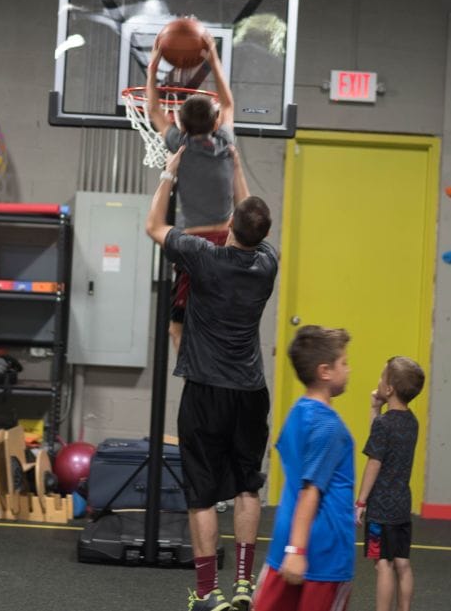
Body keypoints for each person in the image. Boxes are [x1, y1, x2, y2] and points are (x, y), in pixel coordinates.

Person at [145, 149, 278, 611]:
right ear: (264, 233)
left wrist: (169, 172)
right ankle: (244, 583)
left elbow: (153, 226)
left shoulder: (203, 257)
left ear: (231, 226)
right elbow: (250, 216)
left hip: (205, 392)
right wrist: (238, 168)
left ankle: (207, 592)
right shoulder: (268, 264)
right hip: (251, 393)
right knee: (247, 487)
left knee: (201, 494)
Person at [146, 31, 245, 352]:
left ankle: (191, 368)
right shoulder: (225, 143)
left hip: (194, 246)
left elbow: (155, 113)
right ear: (216, 123)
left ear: (182, 125)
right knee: (220, 315)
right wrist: (213, 58)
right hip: (228, 242)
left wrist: (152, 69)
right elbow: (228, 102)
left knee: (177, 325)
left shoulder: (181, 145)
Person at [253, 325, 355, 611]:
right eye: (344, 363)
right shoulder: (329, 425)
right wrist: (297, 550)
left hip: (286, 545)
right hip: (322, 554)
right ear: (325, 371)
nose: (348, 369)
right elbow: (310, 491)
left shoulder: (297, 413)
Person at [355, 356, 425, 611]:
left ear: (389, 389)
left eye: (381, 378)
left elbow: (374, 462)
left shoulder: (384, 424)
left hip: (380, 509)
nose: (378, 381)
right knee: (402, 562)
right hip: (401, 506)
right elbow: (383, 438)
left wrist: (361, 500)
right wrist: (376, 408)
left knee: (382, 563)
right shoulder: (412, 422)